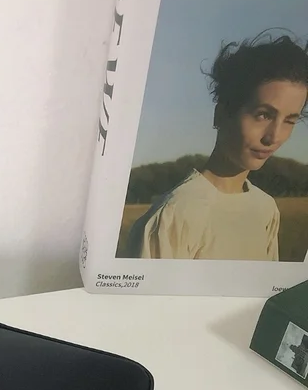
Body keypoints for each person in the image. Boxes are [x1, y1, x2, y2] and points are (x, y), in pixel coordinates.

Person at [126, 34, 308, 261]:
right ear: (221, 114)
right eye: (263, 115)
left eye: (289, 121)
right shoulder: (174, 214)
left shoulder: (267, 210)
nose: (275, 137)